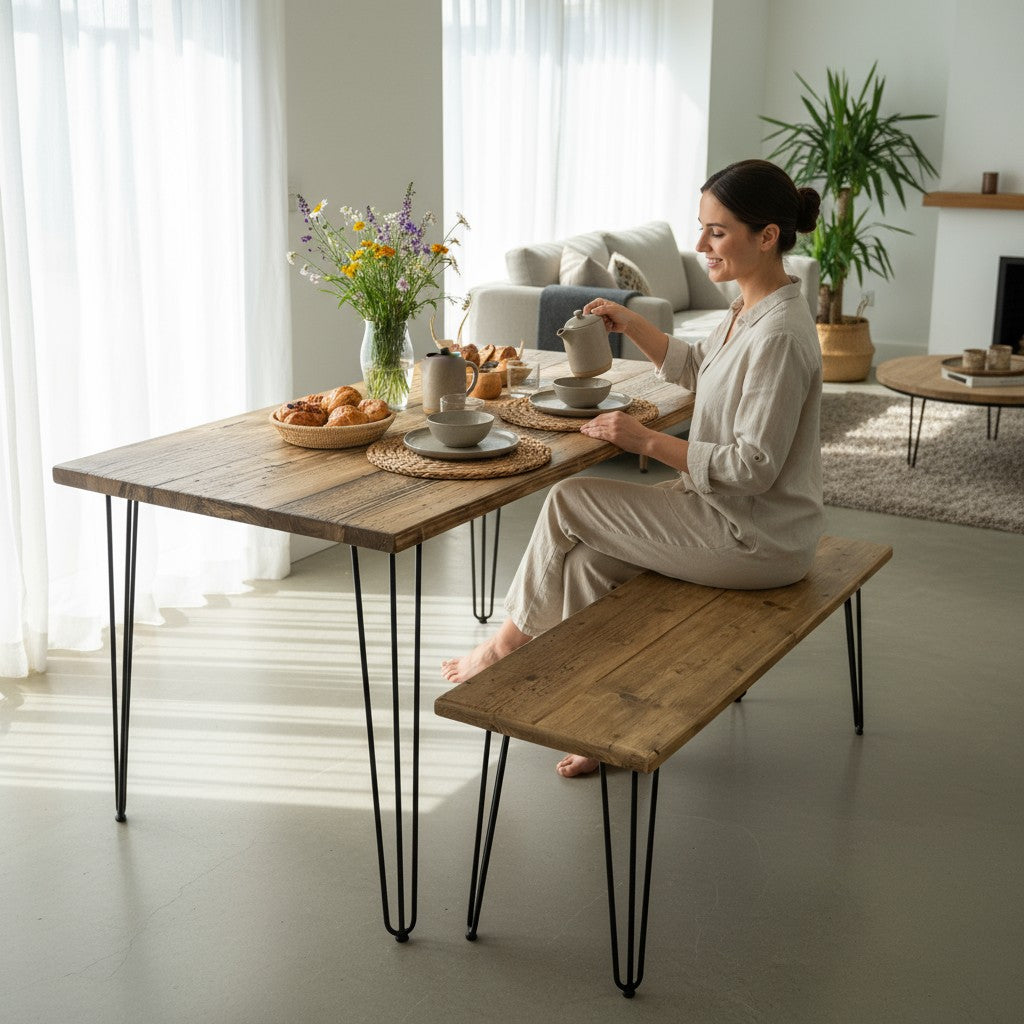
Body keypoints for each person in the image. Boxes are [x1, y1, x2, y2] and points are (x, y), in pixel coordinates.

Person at [442, 159, 825, 777]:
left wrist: (644, 442)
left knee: (570, 499)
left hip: (756, 535)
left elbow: (753, 467)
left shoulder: (778, 333)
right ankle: (601, 725)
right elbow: (701, 368)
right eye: (700, 228)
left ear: (768, 235)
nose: (700, 245)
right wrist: (632, 324)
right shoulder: (749, 308)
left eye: (716, 232)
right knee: (589, 562)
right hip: (727, 514)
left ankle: (507, 644)